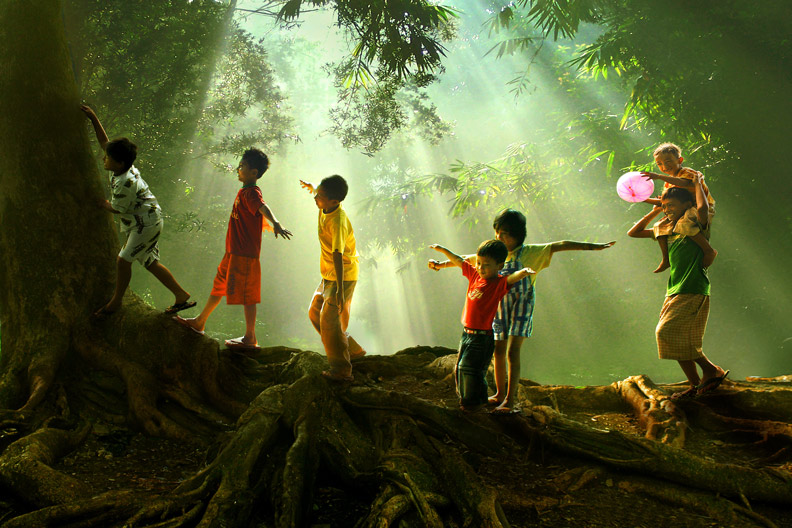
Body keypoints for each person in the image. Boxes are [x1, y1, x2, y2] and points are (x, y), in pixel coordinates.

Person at [429, 209, 615, 413]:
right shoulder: (492, 253)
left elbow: (559, 245)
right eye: (498, 232)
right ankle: (499, 394)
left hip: (521, 307)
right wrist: (440, 264)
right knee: (498, 351)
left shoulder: (531, 253)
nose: (500, 237)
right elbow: (464, 260)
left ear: (518, 234)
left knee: (512, 351)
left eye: (506, 233)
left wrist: (592, 247)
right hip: (497, 308)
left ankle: (510, 398)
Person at [81, 105, 195, 317]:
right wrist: (93, 118)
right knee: (150, 262)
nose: (103, 158)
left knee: (123, 260)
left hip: (146, 224)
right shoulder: (122, 167)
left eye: (107, 158)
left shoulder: (125, 182)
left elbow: (116, 208)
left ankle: (116, 302)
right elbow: (105, 143)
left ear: (119, 162)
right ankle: (181, 295)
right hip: (148, 219)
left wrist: (98, 202)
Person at [174, 148, 292, 349]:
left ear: (254, 172)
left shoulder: (253, 192)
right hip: (232, 252)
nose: (239, 169)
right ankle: (200, 321)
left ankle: (250, 337)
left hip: (244, 254)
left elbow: (263, 207)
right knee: (219, 285)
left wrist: (276, 222)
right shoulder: (244, 191)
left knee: (248, 295)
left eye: (243, 166)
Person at [628, 178, 728, 399]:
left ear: (685, 205)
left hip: (693, 287)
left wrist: (701, 266)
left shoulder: (693, 224)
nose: (667, 209)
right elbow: (633, 232)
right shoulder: (667, 229)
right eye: (665, 206)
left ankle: (711, 370)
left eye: (671, 205)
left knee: (666, 331)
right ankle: (696, 385)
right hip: (674, 288)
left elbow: (710, 251)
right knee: (675, 339)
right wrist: (656, 211)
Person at [429, 240, 534, 412]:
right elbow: (458, 260)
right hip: (467, 334)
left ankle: (477, 405)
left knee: (472, 370)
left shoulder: (497, 284)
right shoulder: (475, 276)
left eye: (486, 265)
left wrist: (523, 272)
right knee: (460, 368)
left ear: (499, 265)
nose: (480, 267)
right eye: (478, 263)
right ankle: (469, 403)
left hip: (482, 337)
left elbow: (511, 278)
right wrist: (442, 249)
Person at [299, 175, 365, 382]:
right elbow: (319, 194)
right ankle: (350, 348)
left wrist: (337, 288)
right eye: (316, 193)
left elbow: (338, 254)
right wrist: (312, 188)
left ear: (334, 202)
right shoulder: (325, 207)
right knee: (314, 312)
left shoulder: (337, 222)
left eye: (320, 196)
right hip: (328, 274)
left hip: (342, 276)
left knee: (329, 319)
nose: (315, 198)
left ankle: (342, 370)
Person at [641, 143, 717, 273]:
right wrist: (642, 199)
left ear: (680, 160)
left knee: (684, 223)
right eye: (659, 164)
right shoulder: (668, 183)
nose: (664, 166)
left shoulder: (687, 172)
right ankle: (666, 259)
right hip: (684, 209)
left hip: (699, 207)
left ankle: (708, 250)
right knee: (659, 226)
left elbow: (684, 183)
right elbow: (663, 202)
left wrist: (658, 176)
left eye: (668, 161)